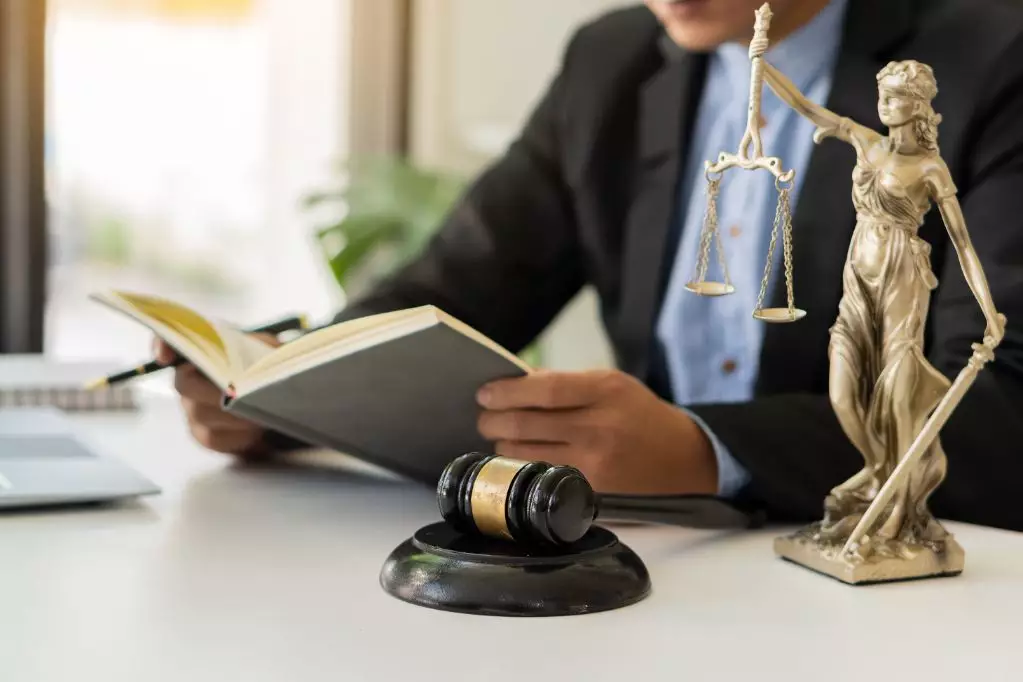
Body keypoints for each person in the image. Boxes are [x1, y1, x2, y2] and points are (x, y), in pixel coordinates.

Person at [161, 0, 1023, 533]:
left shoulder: (989, 59)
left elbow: (1004, 405)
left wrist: (703, 449)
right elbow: (455, 286)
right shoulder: (610, 61)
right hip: (654, 571)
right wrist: (284, 391)